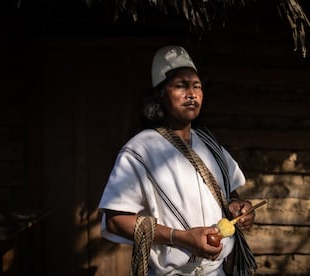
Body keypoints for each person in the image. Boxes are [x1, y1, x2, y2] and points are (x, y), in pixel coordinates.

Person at [99, 45, 256, 275]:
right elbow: (115, 220)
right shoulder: (140, 150)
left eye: (197, 86)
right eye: (181, 86)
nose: (191, 94)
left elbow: (229, 192)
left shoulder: (211, 146)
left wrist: (238, 207)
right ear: (160, 96)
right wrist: (181, 238)